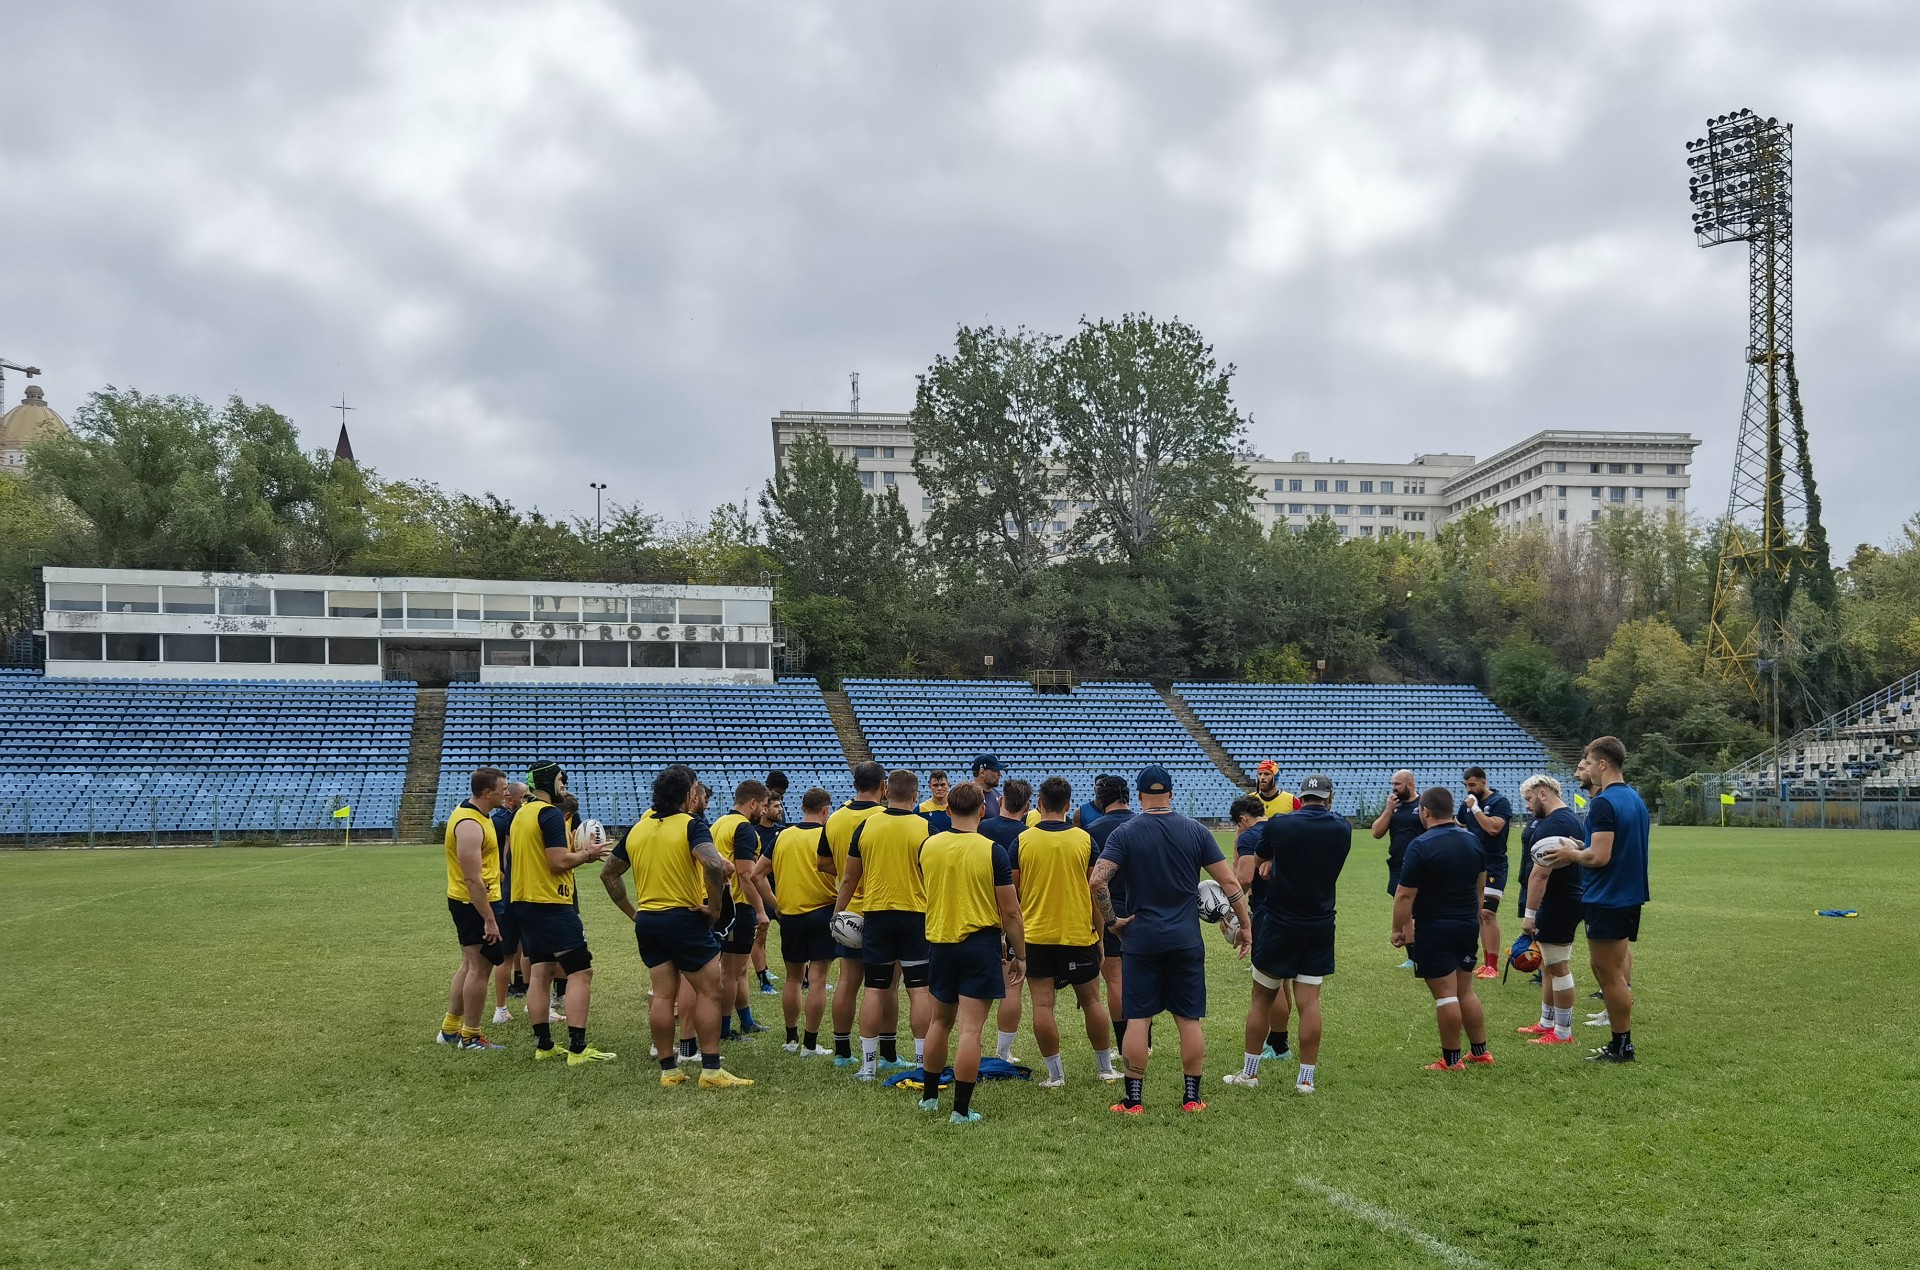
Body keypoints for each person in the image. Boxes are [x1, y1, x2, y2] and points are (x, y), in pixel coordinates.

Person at [1091, 766, 1252, 1114]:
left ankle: (1134, 1100)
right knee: (1188, 1019)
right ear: (1172, 794)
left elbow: (1097, 881)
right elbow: (1230, 882)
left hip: (1141, 938)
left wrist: (1113, 921)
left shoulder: (1125, 832)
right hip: (1184, 938)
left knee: (1139, 1018)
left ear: (1139, 796)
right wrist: (1246, 925)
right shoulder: (1196, 831)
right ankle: (1192, 1098)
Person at [602, 765, 753, 1089]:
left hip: (649, 921)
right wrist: (714, 908)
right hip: (684, 919)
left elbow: (609, 874)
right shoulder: (691, 825)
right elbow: (713, 863)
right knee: (710, 992)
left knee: (661, 995)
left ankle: (669, 1070)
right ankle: (711, 1070)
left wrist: (633, 912)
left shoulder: (637, 829)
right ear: (687, 796)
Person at [1230, 774, 1350, 1095]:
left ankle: (1251, 1073)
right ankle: (1306, 1079)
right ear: (1329, 798)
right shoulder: (1342, 828)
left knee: (1262, 997)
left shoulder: (1280, 825)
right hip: (1320, 922)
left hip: (1279, 922)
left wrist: (1271, 858)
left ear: (1301, 796)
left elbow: (1256, 861)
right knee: (1309, 1003)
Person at [917, 780, 1026, 1125]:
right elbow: (1010, 911)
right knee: (970, 1031)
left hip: (940, 942)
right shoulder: (991, 850)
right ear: (982, 810)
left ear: (947, 810)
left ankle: (930, 1098)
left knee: (939, 1022)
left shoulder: (928, 846)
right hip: (979, 943)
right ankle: (961, 1110)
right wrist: (1020, 954)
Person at [1536, 736, 1648, 1064]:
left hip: (1608, 896)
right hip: (1628, 894)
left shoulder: (1603, 802)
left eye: (1588, 762)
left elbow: (1599, 857)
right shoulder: (1634, 798)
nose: (1584, 769)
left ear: (1602, 764)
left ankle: (1621, 1046)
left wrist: (1572, 853)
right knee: (1611, 970)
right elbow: (1612, 845)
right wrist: (1580, 843)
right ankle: (1620, 1042)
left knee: (1607, 972)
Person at [507, 761, 615, 1065]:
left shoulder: (520, 814)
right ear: (548, 782)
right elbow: (557, 862)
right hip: (551, 902)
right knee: (581, 970)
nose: (563, 787)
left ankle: (544, 1045)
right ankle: (578, 1049)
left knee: (540, 971)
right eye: (560, 781)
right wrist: (588, 854)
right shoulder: (549, 814)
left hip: (524, 901)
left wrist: (577, 854)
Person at [1016, 776, 1118, 1088]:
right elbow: (1095, 892)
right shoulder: (1085, 840)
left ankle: (1055, 1075)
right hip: (1077, 934)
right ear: (1069, 805)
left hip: (1035, 935)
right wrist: (1099, 936)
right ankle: (1105, 1069)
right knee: (1092, 1002)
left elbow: (1013, 891)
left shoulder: (1021, 840)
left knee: (1042, 1005)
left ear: (1040, 804)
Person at [836, 769, 933, 1080]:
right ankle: (921, 1062)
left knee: (874, 989)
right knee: (919, 991)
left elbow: (850, 877)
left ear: (887, 792)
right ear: (917, 795)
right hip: (915, 916)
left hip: (876, 915)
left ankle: (867, 1065)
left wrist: (837, 914)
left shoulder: (867, 826)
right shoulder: (926, 827)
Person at [1392, 787, 1493, 1071]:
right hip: (1466, 923)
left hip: (1435, 925)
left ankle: (1451, 1060)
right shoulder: (1472, 840)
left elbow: (1404, 895)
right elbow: (1480, 886)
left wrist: (1397, 928)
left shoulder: (1421, 845)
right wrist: (1472, 916)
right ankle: (1480, 1051)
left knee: (1446, 994)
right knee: (1465, 989)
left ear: (1425, 811)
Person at [755, 787, 837, 1056]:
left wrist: (776, 904)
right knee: (818, 979)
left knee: (792, 979)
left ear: (802, 808)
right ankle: (810, 1044)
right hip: (822, 911)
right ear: (825, 810)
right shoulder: (828, 835)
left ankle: (791, 1039)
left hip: (791, 915)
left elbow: (757, 875)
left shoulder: (782, 835)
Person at [818, 761, 889, 1067]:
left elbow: (822, 862)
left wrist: (849, 874)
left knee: (847, 981)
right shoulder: (884, 818)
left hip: (848, 910)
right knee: (884, 983)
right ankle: (885, 1053)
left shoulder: (834, 819)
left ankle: (843, 1051)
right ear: (883, 786)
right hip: (879, 906)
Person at [438, 767, 510, 1051]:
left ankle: (450, 1029)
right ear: (487, 792)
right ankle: (470, 1036)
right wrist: (489, 919)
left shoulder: (480, 815)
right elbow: (471, 878)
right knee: (480, 968)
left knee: (469, 965)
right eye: (503, 789)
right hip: (475, 904)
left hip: (474, 901)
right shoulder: (469, 823)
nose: (507, 793)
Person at [1516, 774, 1585, 1046]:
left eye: (1529, 799)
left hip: (1558, 901)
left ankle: (1563, 1033)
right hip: (1566, 898)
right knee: (1547, 964)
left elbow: (1539, 875)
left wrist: (1529, 914)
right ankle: (1547, 1022)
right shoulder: (1571, 819)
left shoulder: (1552, 825)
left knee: (1558, 966)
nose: (1528, 806)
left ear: (1543, 793)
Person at [1226, 795, 1292, 1066]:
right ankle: (1280, 1040)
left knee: (1267, 985)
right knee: (1284, 980)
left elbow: (1243, 879)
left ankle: (1278, 1044)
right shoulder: (1285, 828)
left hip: (1268, 912)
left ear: (1242, 819)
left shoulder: (1249, 836)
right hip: (1295, 908)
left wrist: (1230, 912)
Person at [710, 781, 772, 1042]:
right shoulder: (744, 828)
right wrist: (761, 910)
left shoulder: (719, 823)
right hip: (737, 907)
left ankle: (746, 1021)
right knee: (731, 972)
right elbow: (746, 875)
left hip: (720, 903)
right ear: (753, 803)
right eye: (765, 805)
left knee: (740, 970)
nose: (765, 811)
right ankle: (724, 1030)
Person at [974, 777, 1031, 1062]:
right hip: (1012, 915)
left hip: (979, 914)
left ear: (999, 801)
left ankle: (974, 1045)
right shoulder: (1028, 836)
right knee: (1012, 986)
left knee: (974, 989)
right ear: (1028, 806)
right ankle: (1003, 1053)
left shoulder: (980, 829)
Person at [1084, 775, 1137, 1049]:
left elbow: (1089, 877)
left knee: (1114, 978)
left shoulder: (1092, 829)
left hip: (1108, 907)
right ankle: (1144, 1040)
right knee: (1140, 975)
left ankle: (1122, 1042)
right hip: (1143, 907)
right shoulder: (1144, 824)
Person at [1459, 767, 1514, 980]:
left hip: (1494, 865)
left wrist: (1475, 810)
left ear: (1483, 782)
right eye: (1466, 785)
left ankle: (1493, 965)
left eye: (1472, 785)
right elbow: (1460, 826)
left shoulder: (1500, 802)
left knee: (1488, 913)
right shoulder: (1467, 805)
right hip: (1473, 865)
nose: (1469, 789)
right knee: (1478, 913)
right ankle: (1484, 963)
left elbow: (1493, 829)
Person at [1371, 769, 1423, 970]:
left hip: (1422, 866)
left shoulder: (1423, 805)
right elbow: (1376, 833)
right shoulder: (1394, 806)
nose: (1394, 788)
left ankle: (1427, 952)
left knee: (1421, 912)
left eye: (1397, 784)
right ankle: (1413, 957)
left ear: (1409, 783)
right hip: (1397, 865)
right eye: (1393, 784)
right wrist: (1388, 810)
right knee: (1405, 912)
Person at [488, 779, 528, 1023]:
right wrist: (501, 870)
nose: (529, 801)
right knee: (510, 950)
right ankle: (502, 1007)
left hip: (515, 887)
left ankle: (522, 985)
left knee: (523, 945)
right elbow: (497, 849)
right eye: (525, 797)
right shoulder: (503, 820)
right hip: (512, 889)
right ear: (513, 799)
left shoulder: (520, 818)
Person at [752, 771, 790, 995]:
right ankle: (764, 976)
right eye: (776, 806)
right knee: (760, 933)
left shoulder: (783, 833)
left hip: (782, 889)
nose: (781, 810)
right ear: (764, 808)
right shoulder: (752, 832)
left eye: (781, 806)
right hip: (761, 889)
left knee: (790, 933)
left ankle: (798, 973)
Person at [919, 770, 952, 835]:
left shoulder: (956, 808)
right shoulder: (921, 809)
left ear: (948, 785)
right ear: (930, 787)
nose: (939, 788)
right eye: (935, 785)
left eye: (942, 785)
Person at [972, 755, 1003, 820]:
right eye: (995, 771)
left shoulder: (997, 794)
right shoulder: (968, 796)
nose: (999, 774)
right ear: (982, 772)